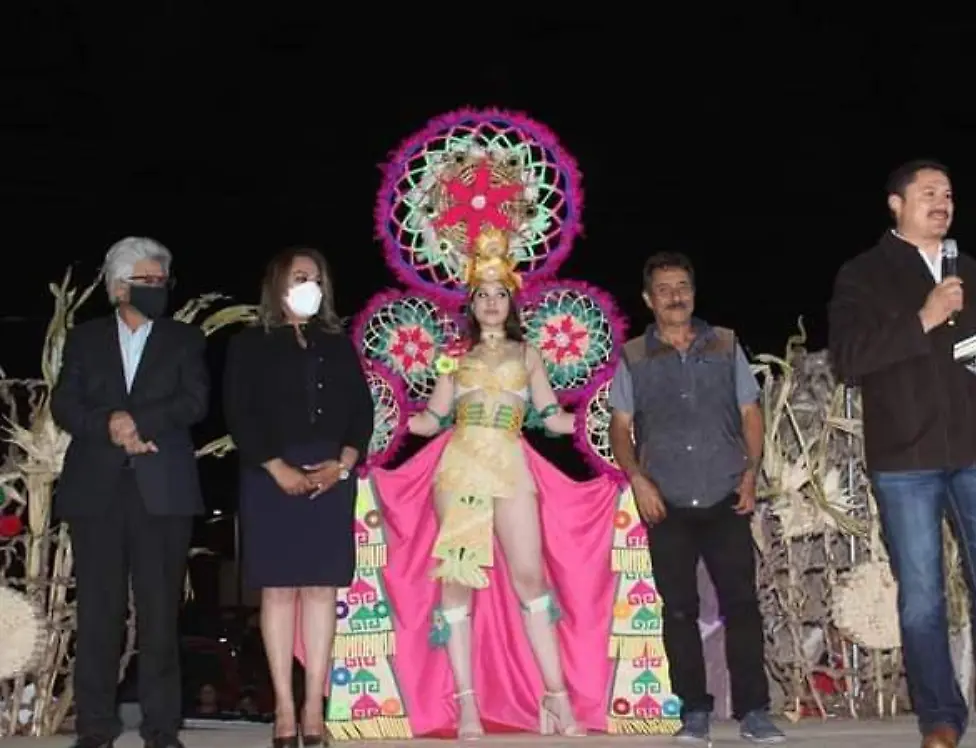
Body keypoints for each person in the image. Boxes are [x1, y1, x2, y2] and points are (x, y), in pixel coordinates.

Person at [374, 228, 620, 739]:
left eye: (499, 293)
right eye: (481, 293)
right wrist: (384, 413)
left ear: (511, 300)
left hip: (511, 469)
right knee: (457, 582)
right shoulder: (452, 357)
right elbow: (431, 420)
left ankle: (555, 697)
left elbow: (551, 418)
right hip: (459, 470)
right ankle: (466, 705)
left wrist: (603, 421)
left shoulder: (528, 354)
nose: (490, 301)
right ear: (470, 301)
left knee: (530, 578)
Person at [828, 160, 976, 748]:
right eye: (928, 193)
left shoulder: (969, 269)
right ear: (895, 203)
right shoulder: (863, 274)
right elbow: (847, 357)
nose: (942, 202)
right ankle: (940, 720)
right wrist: (924, 316)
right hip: (905, 459)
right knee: (922, 600)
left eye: (948, 193)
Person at [608, 251, 786, 745]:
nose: (675, 296)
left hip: (726, 494)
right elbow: (620, 427)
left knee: (742, 606)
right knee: (679, 610)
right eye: (664, 289)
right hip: (664, 499)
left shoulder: (726, 344)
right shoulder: (633, 356)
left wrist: (750, 473)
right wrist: (638, 480)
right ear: (648, 299)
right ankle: (694, 712)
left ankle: (754, 712)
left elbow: (751, 413)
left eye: (682, 286)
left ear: (693, 291)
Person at [52, 237, 208, 748]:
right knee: (99, 612)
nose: (157, 288)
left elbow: (195, 401)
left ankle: (163, 727)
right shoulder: (85, 338)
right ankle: (96, 725)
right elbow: (65, 405)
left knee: (161, 614)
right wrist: (111, 424)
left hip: (162, 489)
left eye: (163, 281)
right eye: (147, 281)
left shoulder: (184, 339)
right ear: (120, 287)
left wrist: (139, 421)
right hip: (96, 490)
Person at [223, 248, 373, 748]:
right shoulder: (250, 343)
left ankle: (315, 710)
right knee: (279, 590)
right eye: (298, 277)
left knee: (321, 590)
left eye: (315, 278)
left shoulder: (338, 342)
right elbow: (239, 412)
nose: (308, 284)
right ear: (278, 285)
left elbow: (360, 410)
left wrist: (345, 462)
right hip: (271, 473)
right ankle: (284, 711)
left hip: (331, 473)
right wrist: (275, 467)